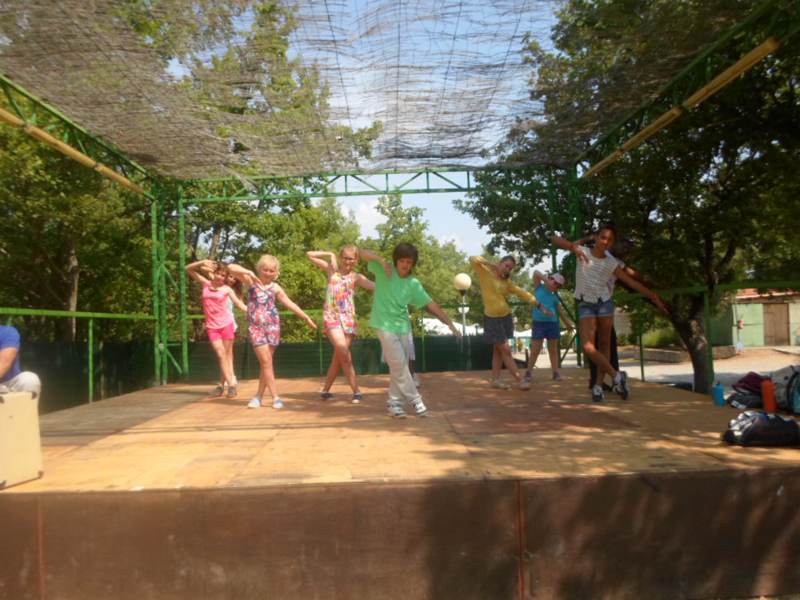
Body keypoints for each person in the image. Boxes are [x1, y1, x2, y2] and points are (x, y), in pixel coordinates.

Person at [552, 225, 668, 402]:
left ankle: (598, 386)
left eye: (609, 240)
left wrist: (654, 297)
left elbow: (631, 282)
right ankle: (617, 376)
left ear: (612, 243)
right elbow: (555, 240)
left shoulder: (611, 263)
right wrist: (579, 243)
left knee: (604, 346)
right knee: (588, 347)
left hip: (605, 304)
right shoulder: (582, 251)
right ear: (597, 238)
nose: (605, 242)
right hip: (586, 305)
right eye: (602, 237)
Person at [360, 244, 461, 418]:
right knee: (399, 365)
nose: (405, 264)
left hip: (404, 328)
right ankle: (416, 401)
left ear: (413, 263)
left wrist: (450, 323)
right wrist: (380, 260)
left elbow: (431, 305)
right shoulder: (385, 269)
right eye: (402, 260)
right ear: (396, 260)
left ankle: (394, 405)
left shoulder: (414, 284)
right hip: (383, 326)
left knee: (399, 367)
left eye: (409, 261)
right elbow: (360, 252)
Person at [229, 255, 317, 409]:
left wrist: (306, 317)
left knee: (266, 363)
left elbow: (290, 303)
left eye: (271, 270)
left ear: (276, 272)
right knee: (266, 362)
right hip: (256, 327)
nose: (268, 273)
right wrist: (248, 272)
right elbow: (230, 268)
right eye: (265, 269)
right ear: (259, 269)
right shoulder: (251, 282)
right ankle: (276, 397)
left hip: (273, 327)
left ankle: (258, 397)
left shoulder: (275, 288)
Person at [470, 255, 550, 390]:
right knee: (505, 350)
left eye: (510, 268)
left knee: (498, 350)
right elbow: (472, 259)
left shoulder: (508, 283)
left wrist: (539, 305)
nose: (507, 269)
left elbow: (523, 293)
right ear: (500, 263)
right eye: (506, 265)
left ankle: (495, 380)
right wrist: (491, 264)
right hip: (492, 319)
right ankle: (520, 380)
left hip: (506, 317)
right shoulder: (485, 273)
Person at [307, 246, 374, 404]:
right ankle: (356, 391)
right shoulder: (332, 270)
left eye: (351, 258)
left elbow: (376, 286)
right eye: (345, 257)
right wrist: (329, 253)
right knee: (343, 351)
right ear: (340, 257)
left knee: (339, 357)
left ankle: (325, 390)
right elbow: (309, 255)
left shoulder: (356, 277)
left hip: (349, 319)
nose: (348, 261)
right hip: (332, 317)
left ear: (356, 260)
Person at [186, 260, 247, 398]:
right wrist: (202, 262)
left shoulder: (227, 289)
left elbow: (240, 305)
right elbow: (188, 269)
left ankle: (230, 386)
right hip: (212, 327)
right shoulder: (205, 284)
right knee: (221, 354)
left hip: (226, 325)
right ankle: (230, 383)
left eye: (223, 275)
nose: (220, 277)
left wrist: (255, 311)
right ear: (213, 274)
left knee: (226, 355)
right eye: (218, 274)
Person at [524, 270, 575, 382]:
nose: (555, 285)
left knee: (552, 350)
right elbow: (536, 273)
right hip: (538, 324)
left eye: (558, 285)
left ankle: (555, 372)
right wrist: (547, 280)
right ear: (550, 279)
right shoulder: (539, 287)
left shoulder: (554, 297)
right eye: (554, 282)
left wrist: (567, 324)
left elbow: (560, 313)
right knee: (535, 349)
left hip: (552, 324)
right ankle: (528, 372)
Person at [0, 325, 41, 398]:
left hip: (9, 384)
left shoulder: (7, 332)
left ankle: (26, 409)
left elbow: (4, 362)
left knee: (29, 380)